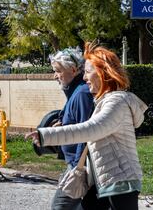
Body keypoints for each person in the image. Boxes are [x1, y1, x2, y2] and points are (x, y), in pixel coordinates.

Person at [26, 42, 147, 210]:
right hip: (104, 179)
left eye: (88, 72)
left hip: (120, 182)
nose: (84, 77)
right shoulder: (104, 101)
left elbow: (90, 129)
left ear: (102, 73)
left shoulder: (116, 103)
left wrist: (47, 135)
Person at [48, 47, 94, 210]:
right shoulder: (75, 91)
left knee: (59, 206)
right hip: (77, 164)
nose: (55, 76)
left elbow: (85, 132)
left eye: (58, 71)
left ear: (73, 70)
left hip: (78, 166)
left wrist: (77, 169)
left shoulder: (81, 94)